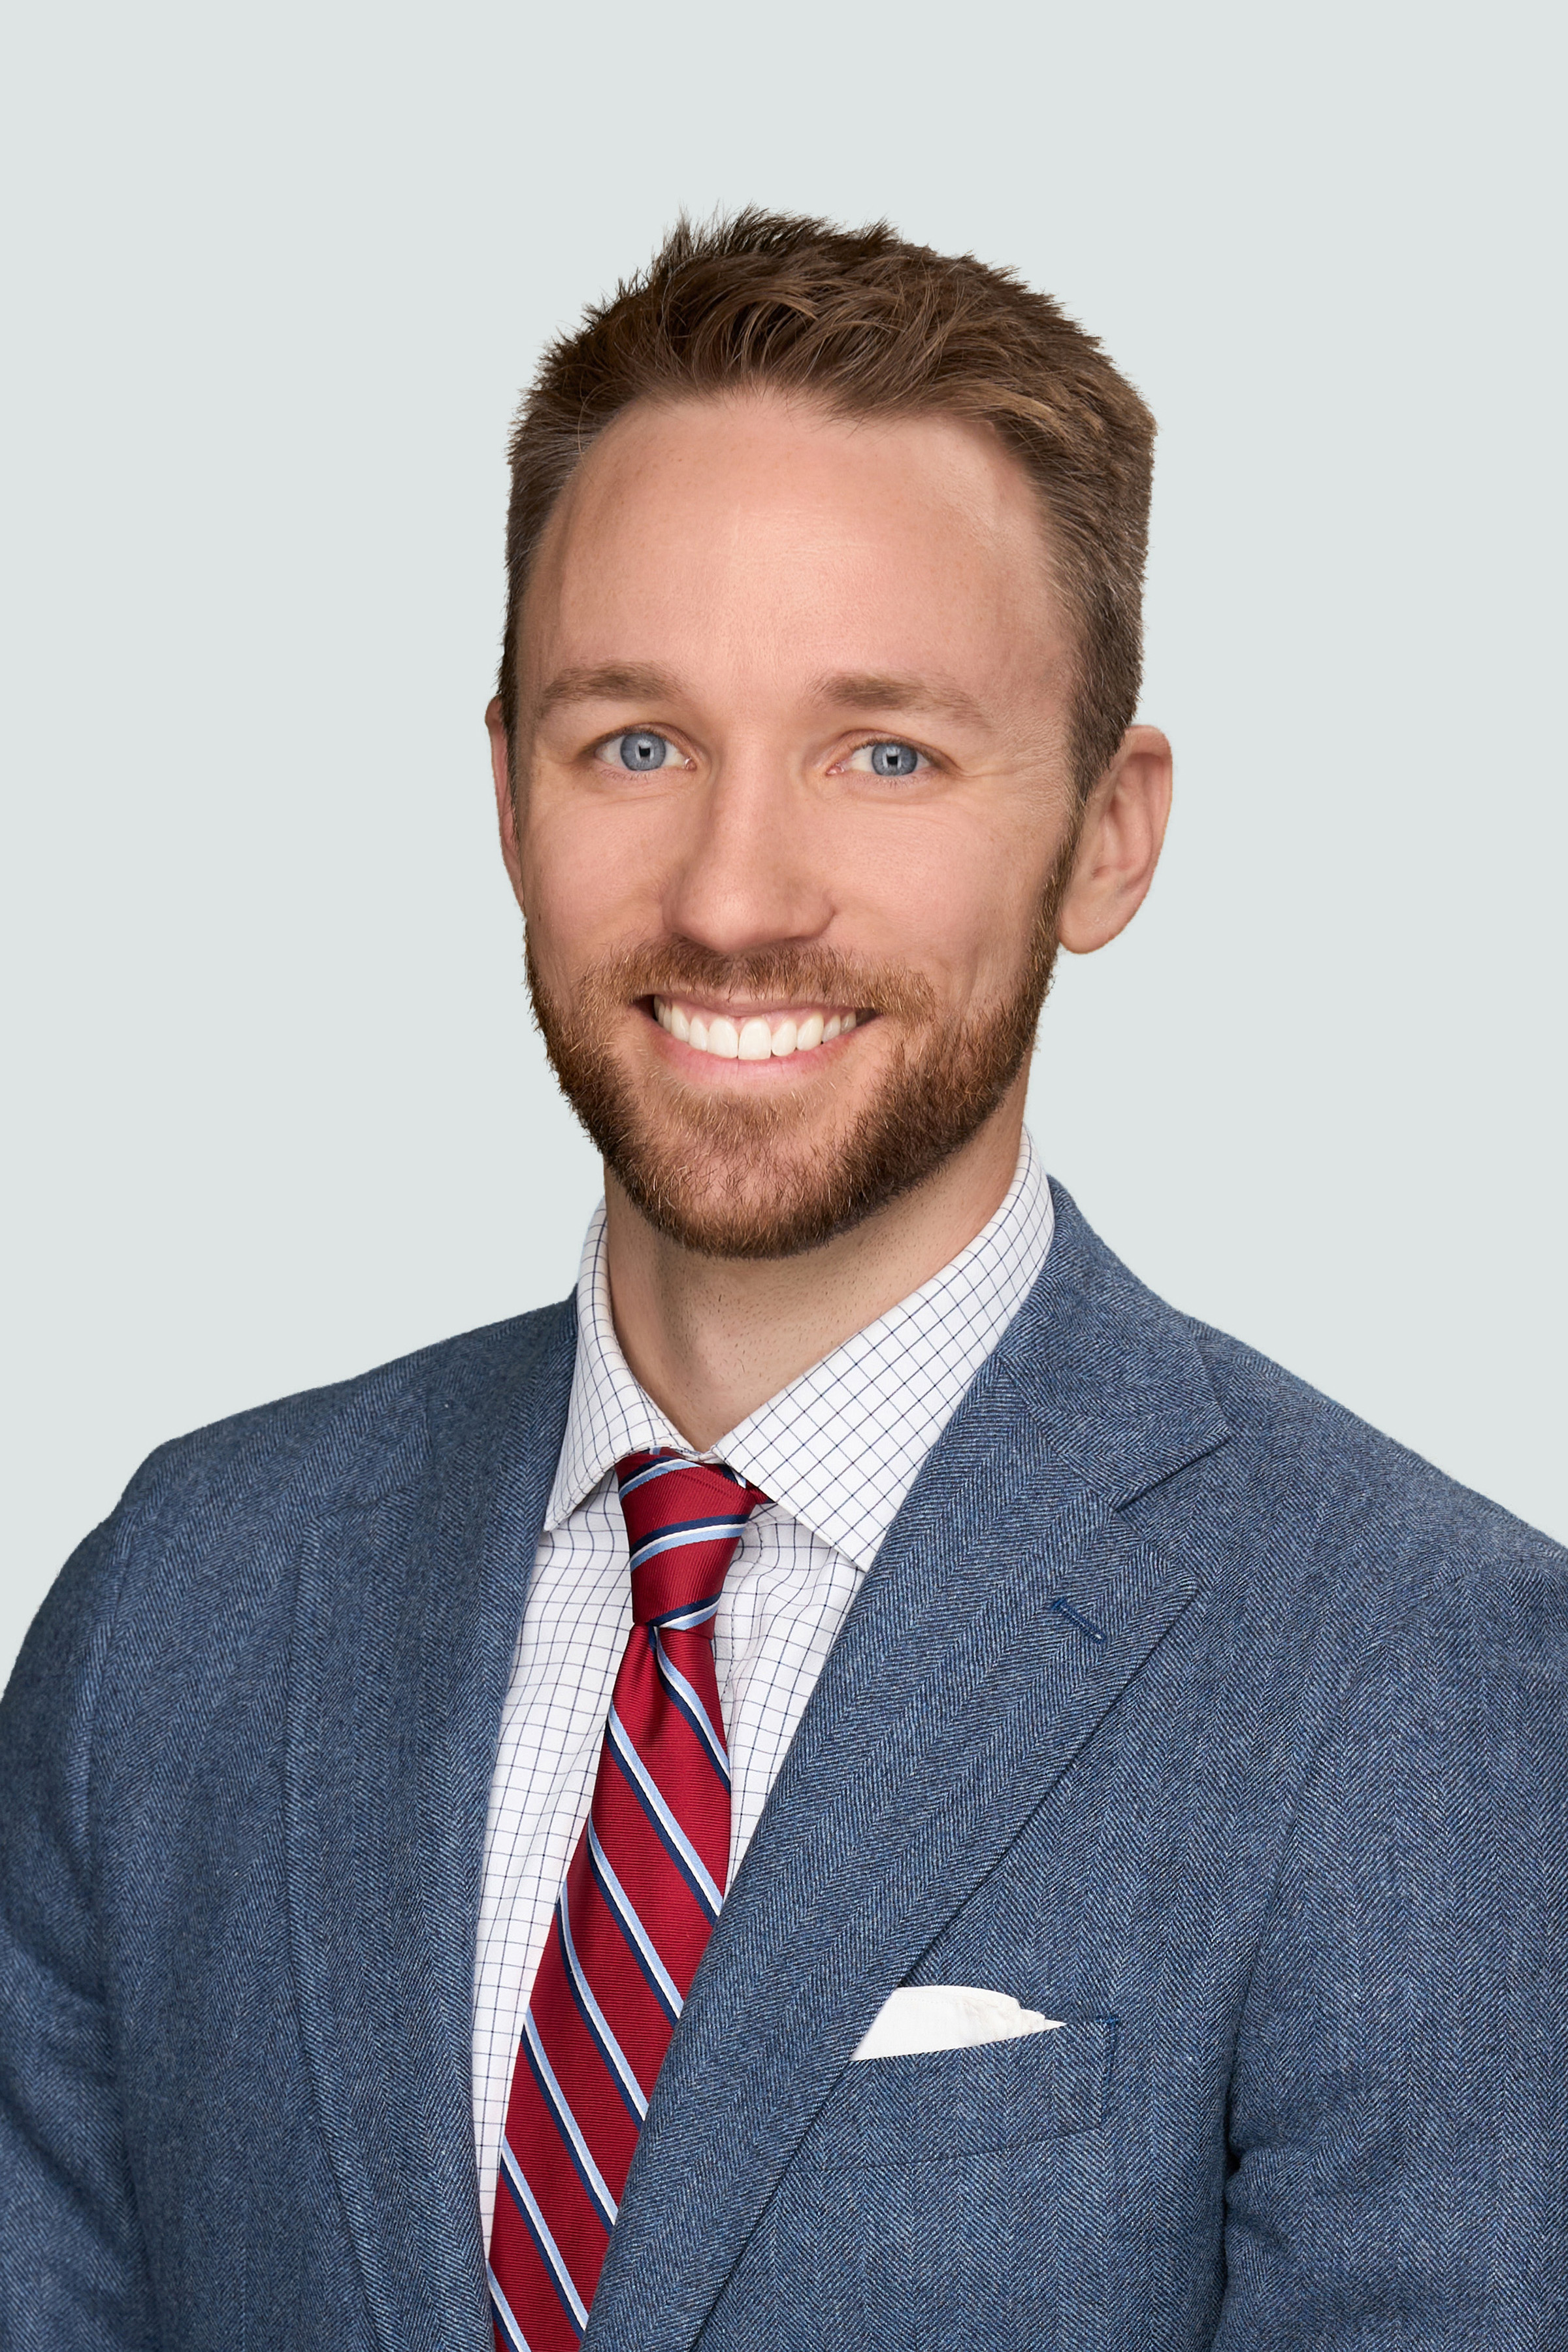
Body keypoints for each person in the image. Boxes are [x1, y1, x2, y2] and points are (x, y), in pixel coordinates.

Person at [2, 208, 1563, 2352]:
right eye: (636, 742)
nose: (736, 897)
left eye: (885, 753)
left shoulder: (1423, 1678)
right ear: (506, 796)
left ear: (1110, 833)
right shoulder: (179, 1608)